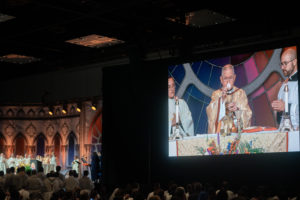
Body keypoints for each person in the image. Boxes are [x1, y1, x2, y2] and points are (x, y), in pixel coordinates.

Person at [206, 64, 252, 133]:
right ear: (221, 79)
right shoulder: (216, 94)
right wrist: (222, 101)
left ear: (234, 77)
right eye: (225, 78)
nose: (228, 81)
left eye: (230, 78)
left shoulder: (240, 93)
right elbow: (210, 112)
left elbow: (248, 114)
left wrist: (237, 110)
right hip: (222, 133)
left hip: (237, 133)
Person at [271, 47, 299, 129]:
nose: (282, 67)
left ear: (294, 62)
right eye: (281, 64)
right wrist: (277, 110)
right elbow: (280, 120)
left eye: (285, 63)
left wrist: (285, 107)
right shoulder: (284, 85)